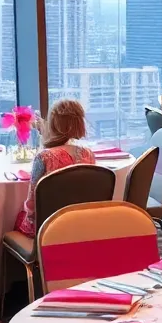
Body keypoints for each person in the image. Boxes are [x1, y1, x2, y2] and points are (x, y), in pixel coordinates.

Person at [14, 99, 95, 237]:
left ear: (52, 124)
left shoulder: (44, 158)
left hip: (48, 230)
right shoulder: (88, 154)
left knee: (16, 219)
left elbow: (32, 204)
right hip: (81, 226)